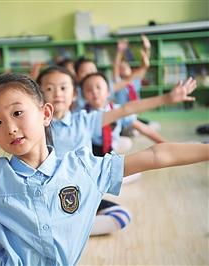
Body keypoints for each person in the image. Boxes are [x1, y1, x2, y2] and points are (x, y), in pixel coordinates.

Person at [0, 70, 208, 265]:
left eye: (17, 114)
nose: (10, 127)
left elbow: (154, 156)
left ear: (45, 114)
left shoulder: (83, 167)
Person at [36, 65, 196, 234]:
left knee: (121, 216)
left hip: (81, 193)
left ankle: (64, 228)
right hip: (50, 193)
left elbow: (124, 109)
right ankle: (64, 226)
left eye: (63, 88)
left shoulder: (85, 121)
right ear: (38, 95)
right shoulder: (36, 126)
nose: (57, 93)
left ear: (75, 94)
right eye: (49, 88)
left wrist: (165, 98)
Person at [81, 72, 167, 156]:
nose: (94, 92)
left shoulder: (118, 110)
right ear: (84, 95)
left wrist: (166, 144)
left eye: (98, 87)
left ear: (108, 91)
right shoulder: (82, 114)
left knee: (127, 143)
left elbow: (143, 128)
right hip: (92, 149)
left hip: (111, 146)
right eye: (89, 89)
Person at [73, 49, 149, 111]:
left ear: (108, 91)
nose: (89, 73)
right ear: (76, 76)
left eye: (92, 70)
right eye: (84, 71)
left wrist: (143, 67)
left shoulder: (105, 87)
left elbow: (125, 82)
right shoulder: (75, 93)